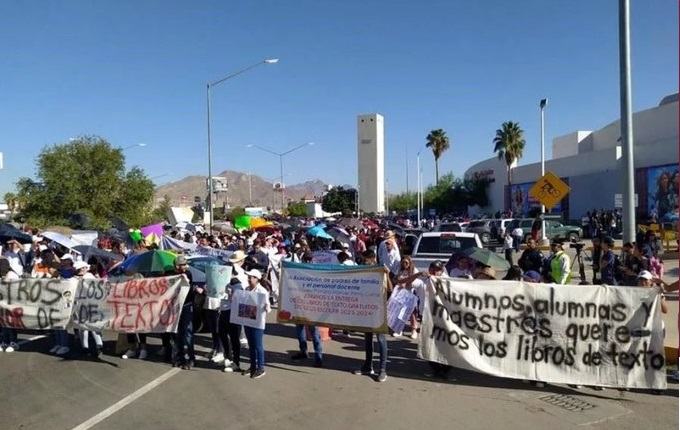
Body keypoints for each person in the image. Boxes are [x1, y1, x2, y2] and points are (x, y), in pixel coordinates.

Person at [352, 250, 390, 382]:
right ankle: (368, 366)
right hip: (366, 308)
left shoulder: (380, 270)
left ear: (372, 259)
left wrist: (387, 274)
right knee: (367, 338)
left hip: (378, 309)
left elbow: (390, 289)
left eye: (365, 260)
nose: (363, 262)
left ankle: (383, 369)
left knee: (380, 339)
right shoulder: (363, 271)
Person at [291, 251, 324, 367]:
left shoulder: (317, 271)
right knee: (300, 329)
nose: (308, 261)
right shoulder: (298, 270)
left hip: (312, 306)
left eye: (310, 259)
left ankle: (318, 355)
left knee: (314, 332)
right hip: (300, 304)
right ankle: (303, 351)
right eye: (306, 259)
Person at [172, 255, 201, 370]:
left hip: (186, 306)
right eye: (182, 265)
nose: (184, 267)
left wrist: (185, 278)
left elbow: (189, 285)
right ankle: (179, 356)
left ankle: (191, 357)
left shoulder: (188, 274)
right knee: (176, 332)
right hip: (175, 306)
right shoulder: (172, 274)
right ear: (177, 266)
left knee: (187, 333)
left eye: (185, 264)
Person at [243, 269, 271, 379]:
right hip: (247, 320)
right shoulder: (246, 289)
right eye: (248, 277)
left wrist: (266, 307)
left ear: (256, 279)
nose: (248, 279)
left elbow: (267, 307)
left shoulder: (262, 291)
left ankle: (261, 368)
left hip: (258, 322)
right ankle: (252, 366)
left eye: (251, 277)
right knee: (251, 345)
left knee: (258, 345)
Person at [0, 258, 20, 352]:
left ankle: (14, 342)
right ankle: (5, 341)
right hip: (3, 303)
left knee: (10, 323)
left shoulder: (12, 275)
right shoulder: (2, 275)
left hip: (12, 302)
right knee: (3, 323)